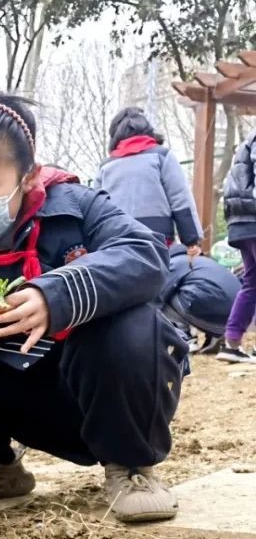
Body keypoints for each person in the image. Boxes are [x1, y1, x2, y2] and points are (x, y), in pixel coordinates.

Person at [0, 93, 187, 539]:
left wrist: (58, 295)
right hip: (31, 401)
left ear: (26, 178)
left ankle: (130, 464)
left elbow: (146, 256)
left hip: (106, 389)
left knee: (132, 324)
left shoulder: (80, 207)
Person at [94, 107, 203, 255]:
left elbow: (97, 209)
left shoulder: (106, 167)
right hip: (157, 238)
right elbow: (180, 199)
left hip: (117, 241)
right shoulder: (162, 156)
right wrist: (191, 240)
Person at [159, 242, 240, 355]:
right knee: (202, 289)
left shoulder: (176, 262)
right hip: (236, 317)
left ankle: (184, 336)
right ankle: (214, 337)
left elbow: (160, 295)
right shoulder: (205, 262)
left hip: (212, 307)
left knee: (165, 296)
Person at [218, 126, 256, 363]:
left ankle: (231, 343)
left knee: (252, 283)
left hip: (241, 222)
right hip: (252, 217)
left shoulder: (248, 140)